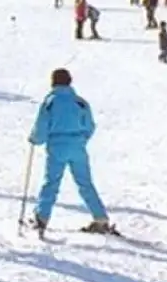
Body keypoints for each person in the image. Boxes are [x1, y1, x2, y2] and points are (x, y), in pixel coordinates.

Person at [28, 68, 115, 235]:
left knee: (51, 183)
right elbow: (89, 125)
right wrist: (81, 140)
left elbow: (41, 126)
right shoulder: (80, 102)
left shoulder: (50, 102)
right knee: (85, 183)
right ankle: (100, 218)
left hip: (57, 147)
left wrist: (35, 139)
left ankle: (41, 218)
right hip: (77, 147)